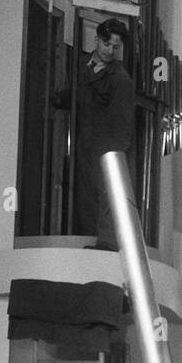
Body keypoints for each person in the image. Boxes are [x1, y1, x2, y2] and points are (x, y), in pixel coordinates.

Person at [54, 18, 135, 248]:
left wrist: (111, 157)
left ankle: (105, 247)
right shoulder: (82, 64)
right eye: (106, 44)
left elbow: (123, 126)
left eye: (115, 47)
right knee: (83, 199)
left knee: (107, 199)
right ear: (96, 39)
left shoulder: (121, 80)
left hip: (106, 150)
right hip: (84, 146)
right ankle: (85, 244)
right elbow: (78, 95)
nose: (109, 51)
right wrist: (60, 99)